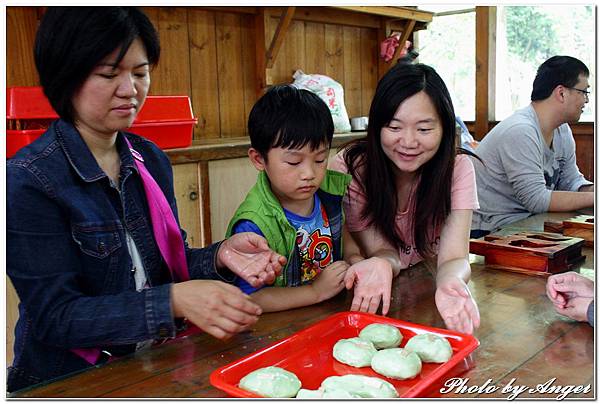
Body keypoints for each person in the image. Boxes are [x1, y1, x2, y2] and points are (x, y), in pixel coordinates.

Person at [6, 7, 286, 392]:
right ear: (66, 75)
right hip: (68, 382)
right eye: (109, 74)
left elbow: (162, 268)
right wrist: (172, 301)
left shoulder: (149, 159)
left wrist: (220, 256)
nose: (130, 89)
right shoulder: (29, 180)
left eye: (140, 73)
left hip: (149, 363)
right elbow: (56, 317)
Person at [329, 62, 481, 335]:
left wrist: (450, 282)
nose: (409, 142)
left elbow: (454, 256)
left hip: (418, 295)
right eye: (395, 127)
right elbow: (380, 250)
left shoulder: (457, 169)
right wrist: (383, 263)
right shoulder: (353, 168)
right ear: (376, 127)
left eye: (424, 130)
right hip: (365, 300)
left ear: (445, 129)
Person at [226, 85, 352, 312]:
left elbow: (344, 236)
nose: (309, 174)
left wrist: (356, 260)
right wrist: (315, 292)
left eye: (320, 159)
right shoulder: (252, 224)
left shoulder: (329, 194)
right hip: (280, 328)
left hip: (330, 313)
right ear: (259, 159)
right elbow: (251, 298)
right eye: (294, 162)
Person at [471, 56, 593, 237]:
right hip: (487, 231)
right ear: (561, 93)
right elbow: (536, 200)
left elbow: (570, 180)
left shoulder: (562, 130)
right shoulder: (520, 130)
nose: (586, 101)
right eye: (584, 92)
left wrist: (591, 190)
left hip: (526, 223)